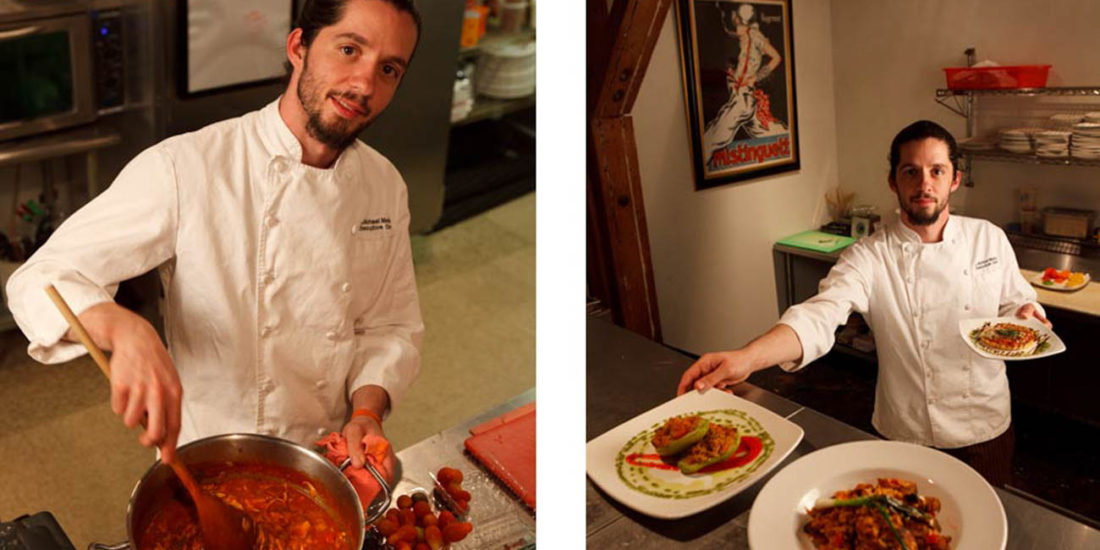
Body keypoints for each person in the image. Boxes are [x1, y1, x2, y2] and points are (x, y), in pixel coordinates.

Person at [4, 0, 423, 481]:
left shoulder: (384, 184)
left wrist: (367, 413)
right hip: (209, 455)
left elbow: (389, 324)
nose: (364, 84)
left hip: (322, 459)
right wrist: (121, 327)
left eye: (388, 69)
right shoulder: (188, 167)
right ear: (299, 47)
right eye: (349, 49)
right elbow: (39, 277)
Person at [678, 120, 1049, 486]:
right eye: (911, 171)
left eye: (937, 171)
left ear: (954, 179)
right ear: (893, 181)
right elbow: (818, 317)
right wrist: (746, 358)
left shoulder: (989, 238)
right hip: (907, 431)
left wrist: (1025, 314)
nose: (924, 184)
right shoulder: (870, 255)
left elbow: (1015, 303)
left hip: (985, 426)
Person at [702, 2, 785, 165]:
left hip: (744, 98)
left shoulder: (754, 36)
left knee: (712, 138)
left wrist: (755, 77)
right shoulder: (736, 36)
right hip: (738, 94)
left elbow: (776, 57)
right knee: (772, 132)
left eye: (733, 15)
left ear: (738, 18)